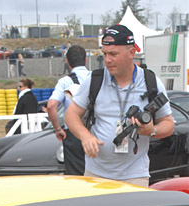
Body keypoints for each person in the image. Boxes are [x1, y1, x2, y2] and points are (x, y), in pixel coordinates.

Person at [64, 24, 174, 186]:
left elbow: (169, 124)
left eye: (114, 54)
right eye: (105, 54)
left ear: (131, 53)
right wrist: (85, 136)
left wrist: (152, 130)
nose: (107, 60)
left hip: (135, 175)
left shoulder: (151, 82)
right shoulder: (95, 80)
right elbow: (71, 115)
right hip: (95, 174)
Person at [47, 45, 91, 175]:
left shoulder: (65, 82)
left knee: (76, 175)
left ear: (67, 62)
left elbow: (51, 105)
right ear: (86, 60)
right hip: (96, 130)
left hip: (73, 133)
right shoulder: (96, 78)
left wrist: (57, 129)